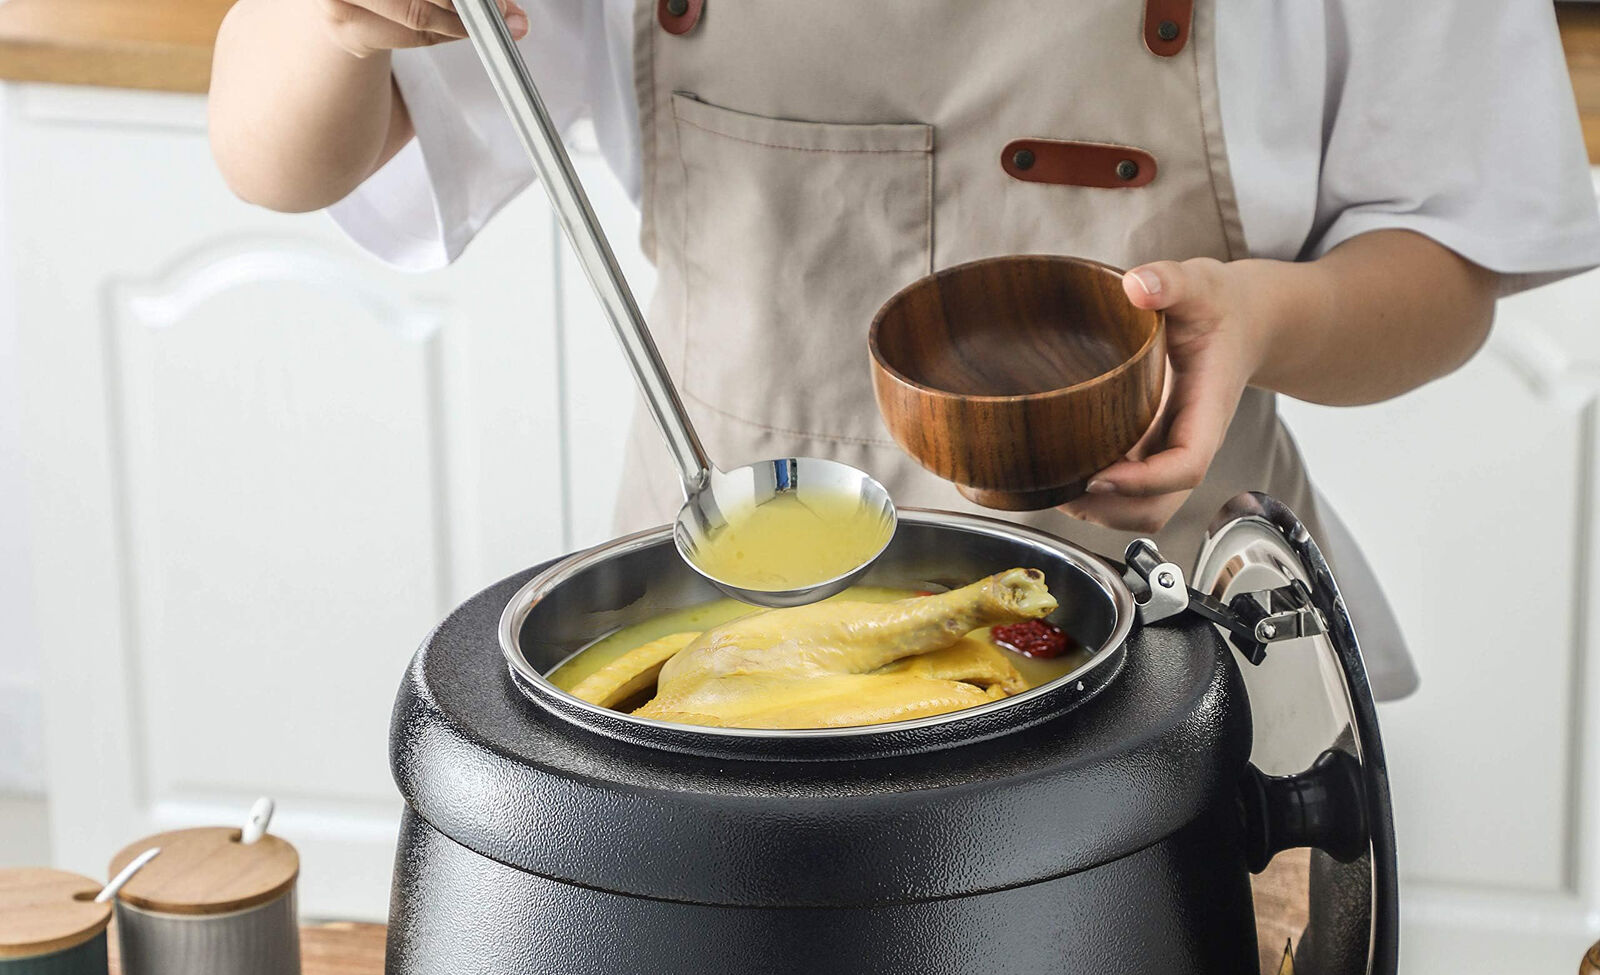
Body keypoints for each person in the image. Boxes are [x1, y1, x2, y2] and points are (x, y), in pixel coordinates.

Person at [209, 0, 1600, 707]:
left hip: (1170, 669)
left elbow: (1451, 262)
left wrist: (1267, 320)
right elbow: (285, 156)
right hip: (710, 657)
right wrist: (321, 20)